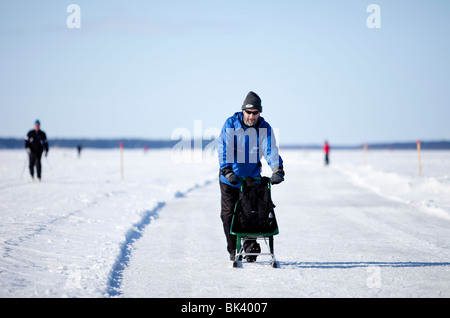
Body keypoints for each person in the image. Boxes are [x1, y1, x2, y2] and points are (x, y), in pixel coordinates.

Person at [218, 91, 284, 262]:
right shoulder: (231, 124)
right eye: (249, 112)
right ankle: (233, 249)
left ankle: (249, 246)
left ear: (259, 113)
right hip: (230, 178)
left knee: (251, 213)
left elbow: (270, 149)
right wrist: (226, 170)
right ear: (243, 111)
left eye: (255, 113)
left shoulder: (263, 127)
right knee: (228, 215)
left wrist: (277, 169)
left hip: (251, 180)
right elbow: (224, 148)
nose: (252, 116)